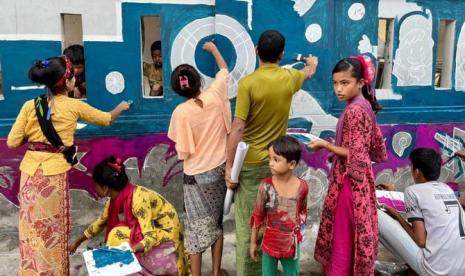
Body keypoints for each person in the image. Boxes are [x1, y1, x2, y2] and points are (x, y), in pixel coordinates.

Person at [7, 56, 129, 276]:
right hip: (53, 176)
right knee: (53, 230)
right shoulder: (73, 106)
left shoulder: (29, 106)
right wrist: (121, 107)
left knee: (31, 230)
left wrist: (35, 138)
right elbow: (106, 119)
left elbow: (12, 142)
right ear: (68, 81)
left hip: (29, 174)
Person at [225, 29, 318, 276]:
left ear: (257, 51)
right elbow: (308, 73)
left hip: (250, 163)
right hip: (278, 164)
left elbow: (237, 128)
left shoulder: (248, 84)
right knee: (275, 222)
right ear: (282, 54)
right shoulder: (289, 78)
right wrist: (312, 63)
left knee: (249, 225)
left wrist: (228, 167)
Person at [309, 56, 387, 275]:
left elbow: (356, 154)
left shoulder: (354, 111)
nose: (338, 89)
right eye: (335, 83)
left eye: (345, 83)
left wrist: (325, 144)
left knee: (342, 238)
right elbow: (371, 149)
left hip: (349, 185)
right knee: (351, 239)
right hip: (360, 183)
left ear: (360, 82)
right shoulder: (364, 106)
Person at [167, 41, 229, 276]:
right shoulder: (215, 95)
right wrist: (213, 49)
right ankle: (215, 272)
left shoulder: (180, 113)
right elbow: (224, 71)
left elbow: (183, 150)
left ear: (178, 90)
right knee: (216, 223)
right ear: (199, 81)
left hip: (195, 177)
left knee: (195, 228)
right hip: (219, 172)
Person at [69, 156, 189, 275]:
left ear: (105, 188)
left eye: (96, 185)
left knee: (118, 241)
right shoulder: (114, 200)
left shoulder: (138, 200)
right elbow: (100, 223)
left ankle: (158, 266)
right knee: (118, 240)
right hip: (152, 231)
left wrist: (133, 250)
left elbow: (150, 236)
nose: (94, 188)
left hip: (167, 233)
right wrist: (77, 242)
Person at [381, 148, 465, 276]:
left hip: (435, 270)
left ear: (417, 172)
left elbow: (420, 241)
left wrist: (397, 216)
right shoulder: (446, 189)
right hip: (461, 269)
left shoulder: (412, 191)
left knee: (377, 216)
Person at [250, 136, 309, 276]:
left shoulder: (303, 187)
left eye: (276, 159)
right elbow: (258, 214)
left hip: (291, 245)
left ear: (292, 164)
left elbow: (302, 213)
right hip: (269, 243)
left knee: (292, 273)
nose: (270, 163)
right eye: (269, 158)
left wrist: (298, 234)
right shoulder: (266, 186)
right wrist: (253, 243)